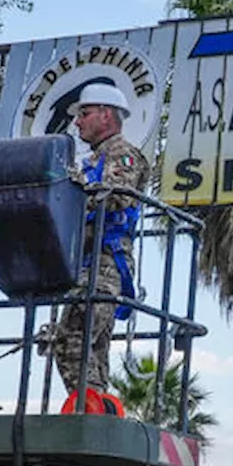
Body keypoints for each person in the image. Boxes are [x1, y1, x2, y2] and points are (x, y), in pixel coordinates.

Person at [46, 82, 150, 399]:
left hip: (105, 264)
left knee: (70, 341)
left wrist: (69, 189)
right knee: (93, 349)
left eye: (84, 113)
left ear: (106, 115)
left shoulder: (124, 155)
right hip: (87, 263)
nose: (77, 122)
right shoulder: (92, 162)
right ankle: (98, 407)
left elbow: (114, 197)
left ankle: (89, 412)